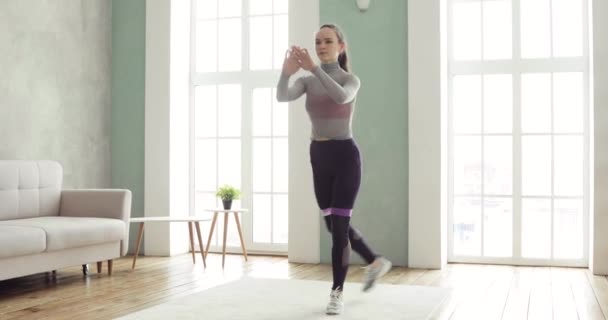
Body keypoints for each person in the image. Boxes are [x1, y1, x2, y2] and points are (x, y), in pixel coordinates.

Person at [276, 23, 392, 315]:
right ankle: (375, 261)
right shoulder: (307, 81)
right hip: (318, 155)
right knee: (332, 225)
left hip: (345, 156)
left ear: (340, 47)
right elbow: (282, 96)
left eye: (327, 41)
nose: (321, 46)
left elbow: (341, 97)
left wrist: (314, 68)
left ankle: (336, 292)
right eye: (317, 42)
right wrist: (287, 72)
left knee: (339, 227)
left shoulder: (351, 79)